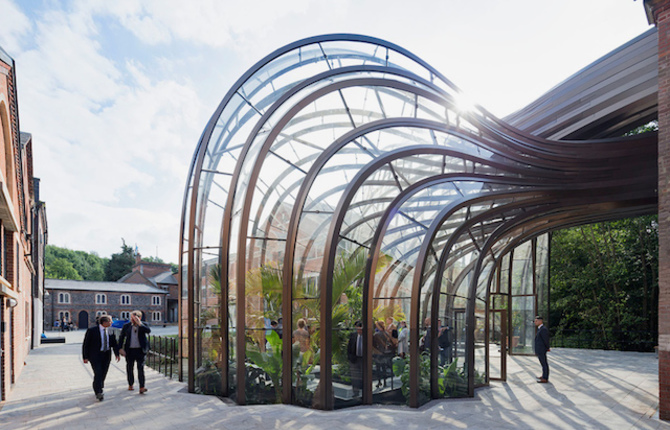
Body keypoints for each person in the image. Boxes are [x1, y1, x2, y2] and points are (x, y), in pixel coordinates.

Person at [82, 314, 120, 401]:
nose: (112, 322)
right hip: (95, 355)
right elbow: (86, 344)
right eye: (110, 321)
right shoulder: (92, 330)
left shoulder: (111, 330)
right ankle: (98, 392)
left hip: (106, 355)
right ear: (105, 322)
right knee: (98, 373)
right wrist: (85, 357)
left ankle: (100, 386)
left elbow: (114, 343)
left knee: (103, 373)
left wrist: (117, 354)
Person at [118, 310, 151, 394]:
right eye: (131, 317)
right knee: (129, 368)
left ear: (139, 317)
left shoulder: (144, 325)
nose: (132, 319)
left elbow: (148, 331)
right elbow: (121, 338)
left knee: (141, 368)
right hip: (130, 350)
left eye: (134, 318)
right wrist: (120, 349)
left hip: (140, 350)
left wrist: (139, 323)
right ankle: (130, 384)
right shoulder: (126, 326)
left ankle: (142, 387)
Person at [347, 321, 364, 397]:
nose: (359, 331)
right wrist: (350, 358)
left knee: (363, 375)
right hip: (354, 359)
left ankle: (364, 392)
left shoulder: (366, 336)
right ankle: (355, 392)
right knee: (355, 376)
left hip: (363, 359)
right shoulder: (353, 335)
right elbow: (349, 347)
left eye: (360, 329)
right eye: (358, 329)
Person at [534, 315, 550, 383]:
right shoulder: (539, 329)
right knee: (543, 363)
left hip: (542, 349)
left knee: (544, 363)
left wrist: (547, 348)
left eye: (536, 321)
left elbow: (545, 340)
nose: (535, 322)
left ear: (540, 321)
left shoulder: (543, 329)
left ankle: (545, 378)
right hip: (539, 349)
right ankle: (543, 375)